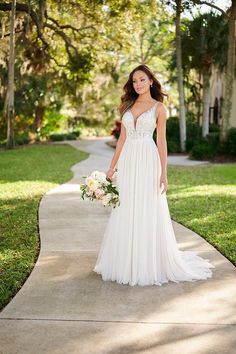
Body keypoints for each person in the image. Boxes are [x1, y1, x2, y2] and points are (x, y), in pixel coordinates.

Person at [93, 64, 214, 286]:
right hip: (129, 160)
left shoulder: (159, 108)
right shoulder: (128, 106)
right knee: (127, 205)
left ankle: (148, 262)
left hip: (148, 161)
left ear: (150, 81)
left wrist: (164, 173)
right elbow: (121, 139)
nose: (137, 84)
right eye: (134, 81)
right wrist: (112, 167)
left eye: (141, 79)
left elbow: (161, 142)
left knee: (147, 206)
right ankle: (125, 262)